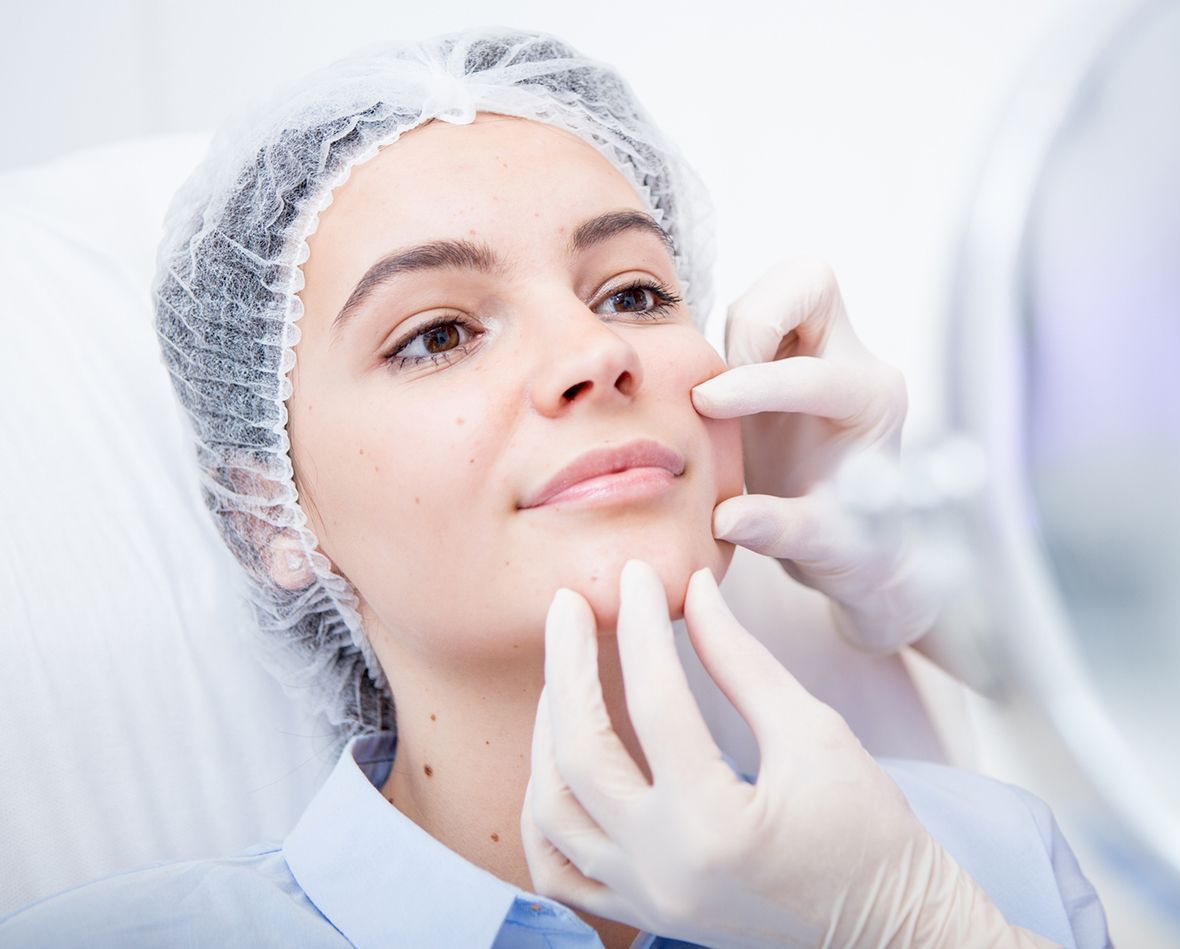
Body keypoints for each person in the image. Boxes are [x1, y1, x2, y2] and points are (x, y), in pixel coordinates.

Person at [0, 27, 1108, 948]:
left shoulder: (979, 867)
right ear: (266, 517)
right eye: (436, 334)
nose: (596, 354)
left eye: (630, 294)